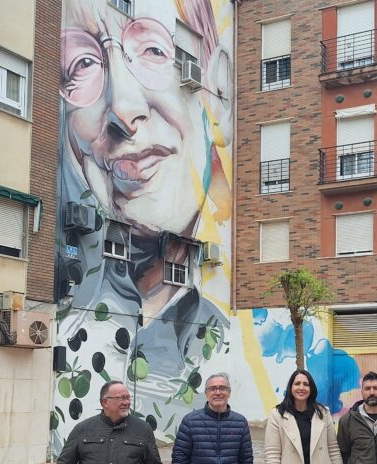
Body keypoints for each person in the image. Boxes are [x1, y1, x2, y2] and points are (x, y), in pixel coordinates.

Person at [54, 0, 235, 438]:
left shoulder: (222, 334)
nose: (124, 109)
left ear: (220, 89)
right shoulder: (68, 314)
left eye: (155, 50)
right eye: (83, 65)